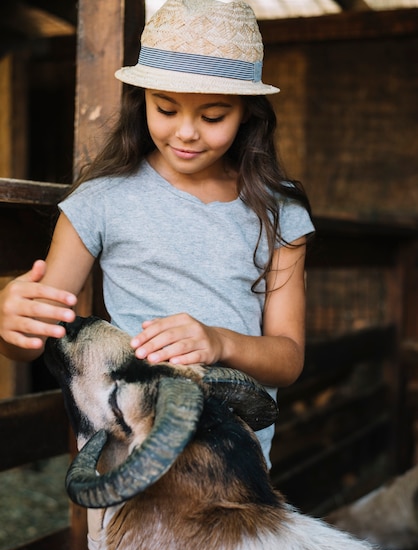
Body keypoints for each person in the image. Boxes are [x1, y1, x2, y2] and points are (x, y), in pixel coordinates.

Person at [0, 0, 314, 469]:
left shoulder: (278, 210)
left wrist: (219, 342)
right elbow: (29, 340)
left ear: (248, 110)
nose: (186, 133)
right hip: (129, 461)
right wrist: (11, 318)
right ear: (141, 98)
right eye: (165, 108)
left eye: (212, 117)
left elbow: (287, 358)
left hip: (235, 464)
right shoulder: (101, 200)